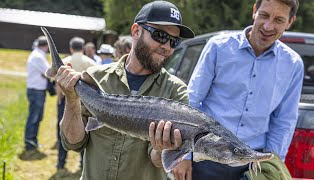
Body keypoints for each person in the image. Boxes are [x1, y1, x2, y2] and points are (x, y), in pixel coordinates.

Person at [55, 1, 194, 179]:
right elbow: (73, 143)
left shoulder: (176, 92)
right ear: (136, 31)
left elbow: (156, 159)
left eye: (174, 41)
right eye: (160, 35)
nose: (167, 46)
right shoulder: (93, 77)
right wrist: (71, 100)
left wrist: (162, 149)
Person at [187, 0, 303, 179]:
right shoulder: (218, 47)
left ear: (290, 22)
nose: (268, 26)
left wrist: (271, 165)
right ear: (254, 11)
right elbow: (192, 102)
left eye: (278, 20)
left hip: (252, 164)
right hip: (205, 158)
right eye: (264, 15)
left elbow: (283, 120)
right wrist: (185, 156)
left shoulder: (293, 65)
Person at [56, 37, 96, 170]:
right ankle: (82, 163)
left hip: (66, 100)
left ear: (71, 48)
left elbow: (57, 82)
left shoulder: (65, 61)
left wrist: (59, 98)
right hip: (86, 103)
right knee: (85, 131)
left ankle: (61, 163)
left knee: (63, 131)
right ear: (83, 48)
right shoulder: (91, 62)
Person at [25, 36, 50, 151]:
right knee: (34, 117)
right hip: (36, 90)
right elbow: (49, 72)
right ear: (46, 45)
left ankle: (32, 140)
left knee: (37, 116)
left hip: (36, 90)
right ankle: (29, 142)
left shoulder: (37, 55)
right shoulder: (38, 57)